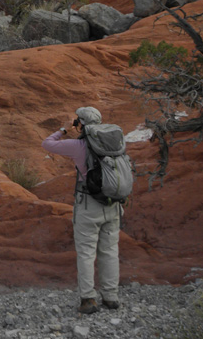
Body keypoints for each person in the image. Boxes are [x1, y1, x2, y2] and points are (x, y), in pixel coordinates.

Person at [42, 106, 122, 315]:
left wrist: (64, 129)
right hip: (114, 204)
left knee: (87, 253)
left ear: (81, 124)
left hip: (89, 205)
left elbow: (47, 144)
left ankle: (88, 299)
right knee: (110, 250)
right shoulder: (116, 141)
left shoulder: (78, 146)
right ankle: (111, 297)